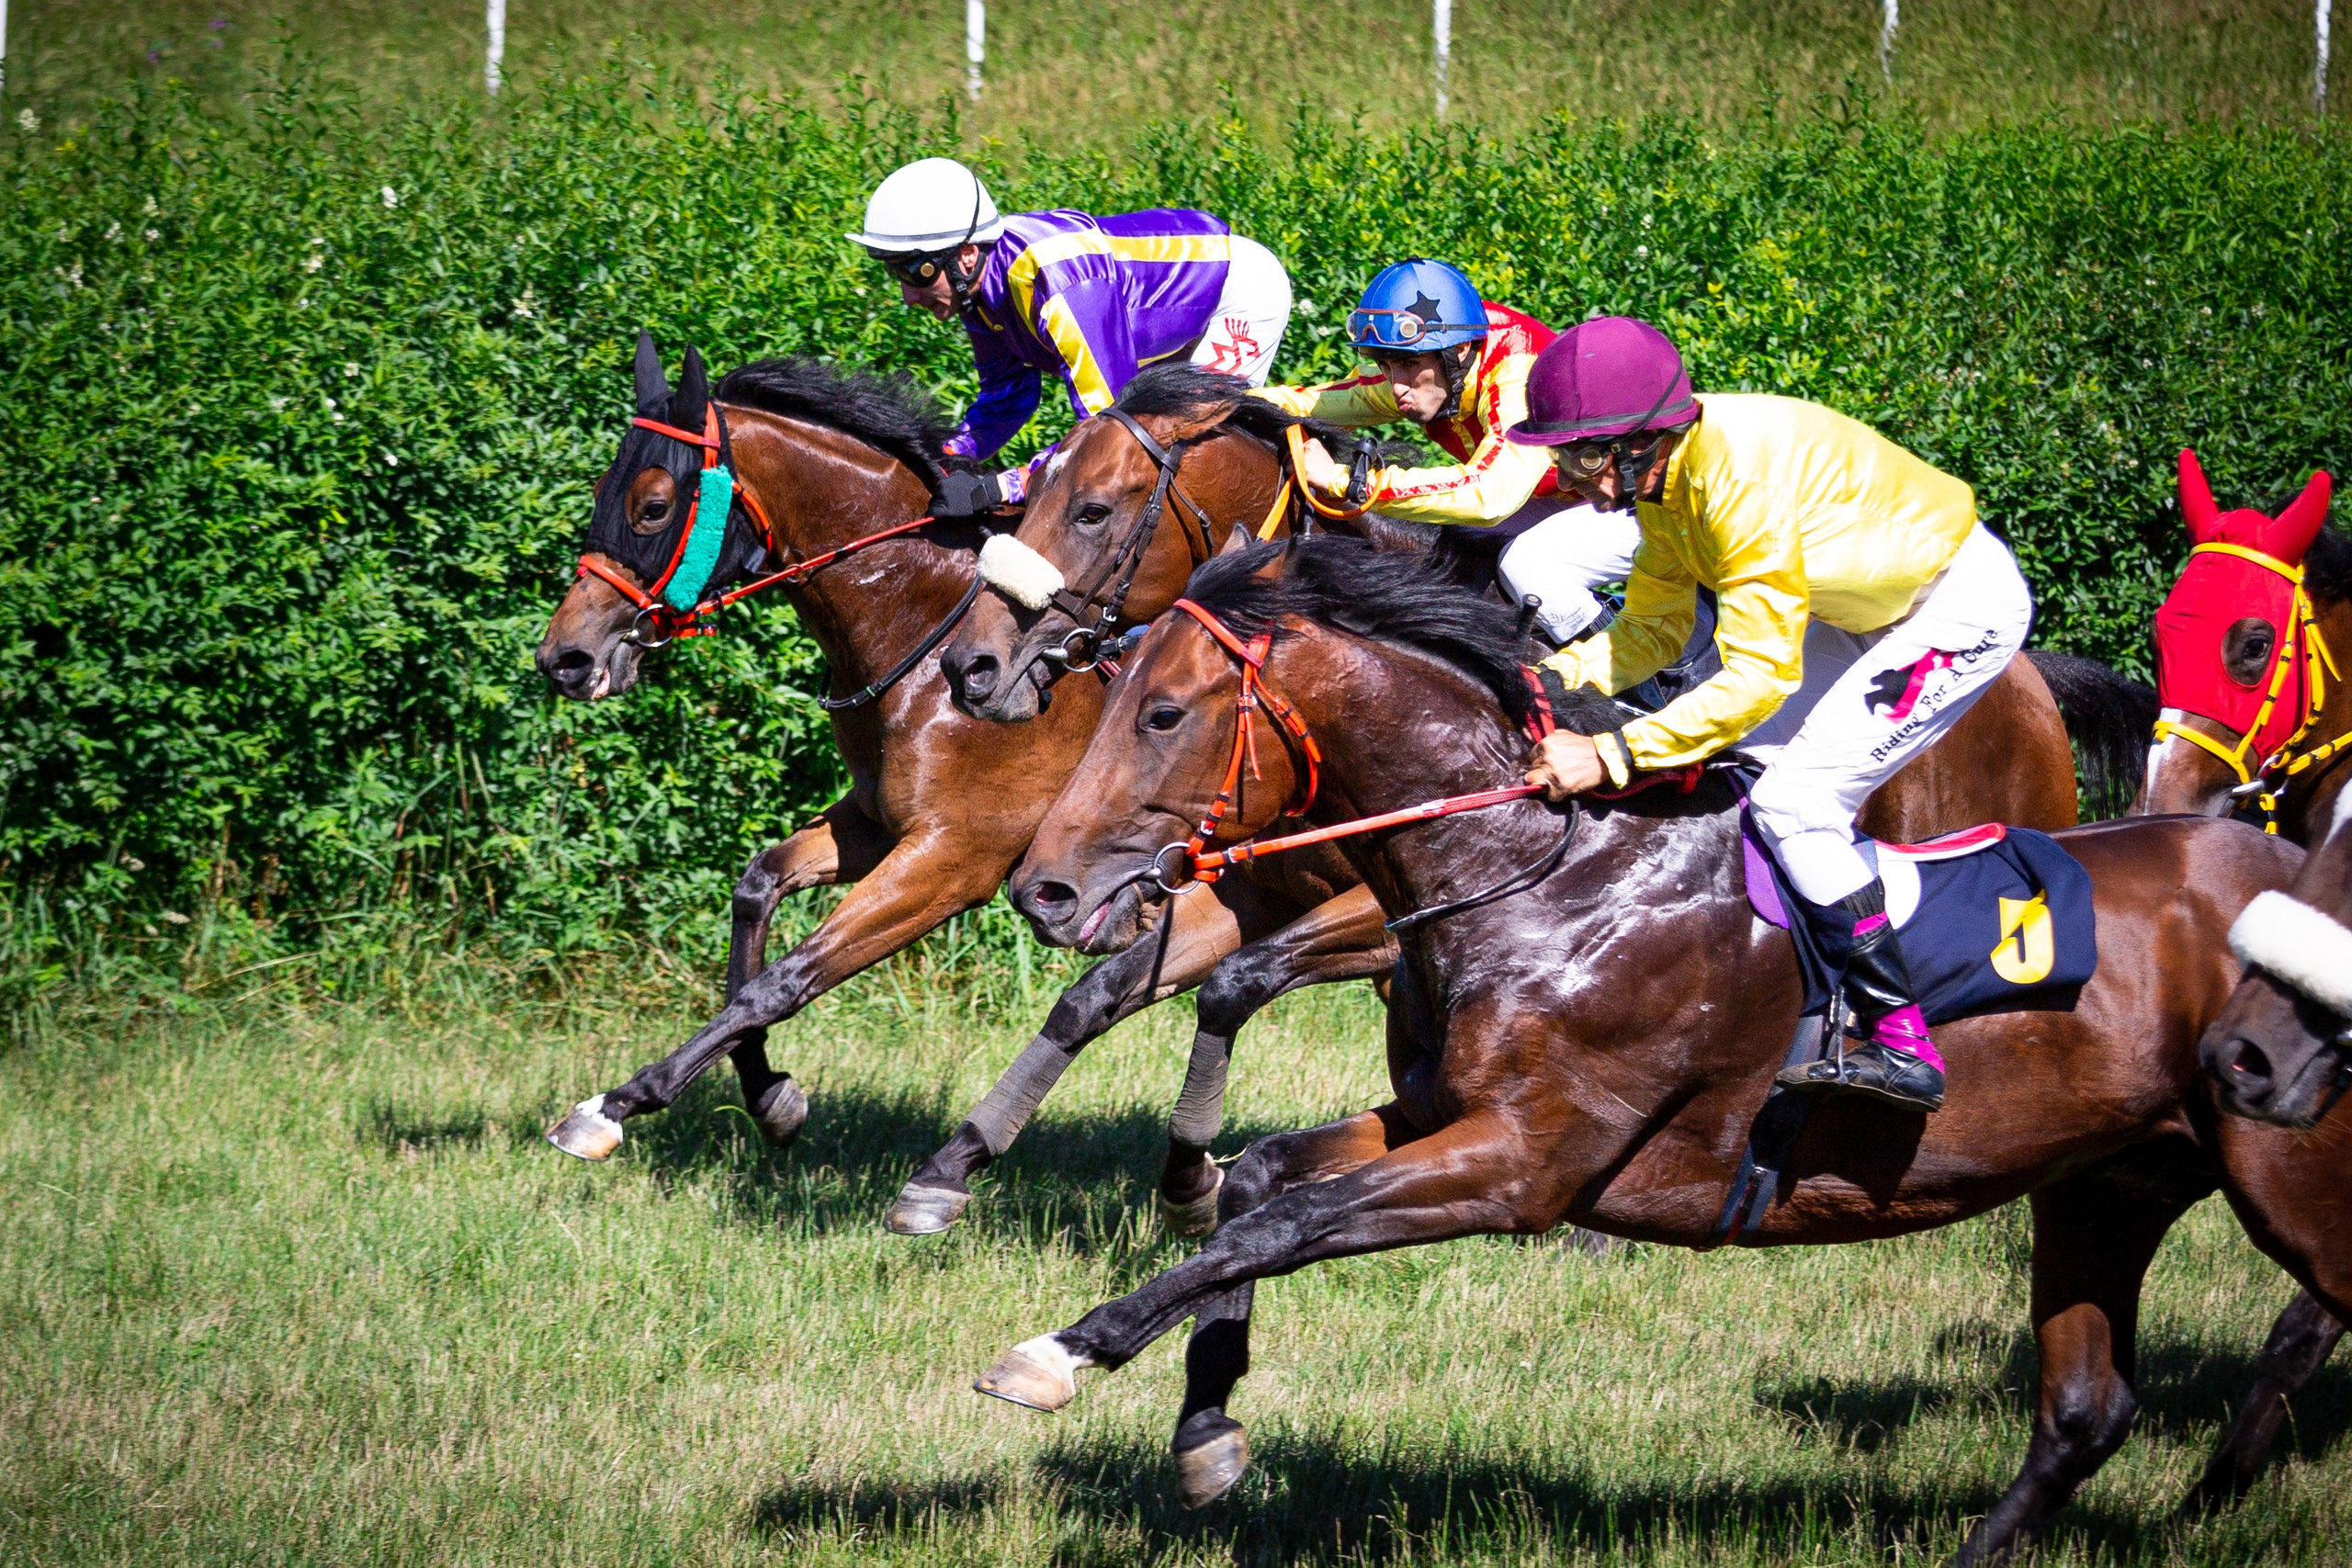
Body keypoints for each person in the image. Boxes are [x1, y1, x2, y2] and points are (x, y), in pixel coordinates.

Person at [1513, 316, 2036, 1112]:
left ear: (1644, 441)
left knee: (1799, 803)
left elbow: (1757, 675)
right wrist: (1541, 679)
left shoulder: (1732, 482)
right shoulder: (1665, 481)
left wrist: (1614, 752)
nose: (1574, 477)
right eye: (1564, 454)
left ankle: (1905, 1041)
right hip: (1856, 606)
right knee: (1747, 774)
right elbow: (1651, 629)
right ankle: (1795, 998)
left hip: (1955, 606)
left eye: (1585, 454)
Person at [850, 157, 1292, 513]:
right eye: (896, 272)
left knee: (1180, 447)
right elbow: (1009, 396)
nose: (909, 296)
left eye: (916, 272)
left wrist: (1004, 485)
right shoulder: (979, 290)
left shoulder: (1062, 289)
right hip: (1168, 321)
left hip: (1238, 295)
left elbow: (1110, 427)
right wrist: (951, 454)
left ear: (966, 255)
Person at [1252, 258, 1639, 644]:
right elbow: (1309, 403)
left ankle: (1636, 686)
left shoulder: (1517, 370)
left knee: (1529, 563)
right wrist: (1208, 399)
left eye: (1408, 364)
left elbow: (1491, 495)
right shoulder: (1438, 361)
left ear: (1460, 350)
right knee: (1452, 551)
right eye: (1385, 365)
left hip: (1640, 498)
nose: (1396, 385)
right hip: (1565, 498)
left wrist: (1345, 481)